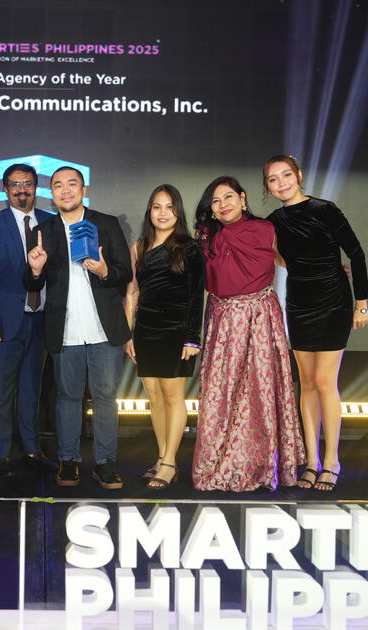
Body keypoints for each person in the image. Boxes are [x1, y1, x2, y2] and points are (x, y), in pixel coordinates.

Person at [190, 176, 304, 492]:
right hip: (222, 318)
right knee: (222, 392)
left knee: (258, 391)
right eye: (215, 201)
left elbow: (288, 260)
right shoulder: (207, 236)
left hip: (259, 316)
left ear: (242, 198)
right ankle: (218, 464)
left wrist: (326, 271)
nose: (222, 204)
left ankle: (260, 466)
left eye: (228, 197)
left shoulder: (265, 229)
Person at [264, 155, 368, 492]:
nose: (281, 183)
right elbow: (280, 258)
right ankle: (311, 461)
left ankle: (332, 461)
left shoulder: (325, 210)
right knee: (306, 383)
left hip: (333, 302)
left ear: (298, 175)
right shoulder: (273, 221)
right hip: (298, 304)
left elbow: (356, 254)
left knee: (324, 381)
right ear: (267, 187)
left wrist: (361, 304)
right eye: (273, 179)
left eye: (286, 175)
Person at [26, 166, 132, 489]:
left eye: (72, 184)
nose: (65, 190)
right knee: (68, 397)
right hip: (65, 327)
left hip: (104, 328)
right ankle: (68, 460)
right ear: (52, 194)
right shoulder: (42, 230)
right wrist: (35, 270)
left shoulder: (106, 224)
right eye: (58, 185)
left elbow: (124, 272)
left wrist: (103, 270)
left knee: (105, 397)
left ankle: (105, 463)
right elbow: (32, 283)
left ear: (83, 190)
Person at [0, 164, 54, 477]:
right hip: (3, 323)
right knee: (0, 391)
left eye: (28, 183)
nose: (23, 189)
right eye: (16, 184)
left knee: (31, 390)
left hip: (40, 321)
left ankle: (31, 450)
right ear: (6, 189)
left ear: (36, 188)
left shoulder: (50, 222)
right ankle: (0, 453)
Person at [123, 185, 204, 489]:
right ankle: (161, 456)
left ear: (178, 211)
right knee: (154, 396)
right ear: (150, 211)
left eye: (169, 207)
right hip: (146, 330)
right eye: (157, 207)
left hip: (176, 330)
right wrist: (128, 334)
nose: (163, 213)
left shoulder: (190, 248)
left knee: (172, 395)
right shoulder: (139, 247)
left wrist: (192, 337)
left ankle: (170, 462)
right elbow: (132, 293)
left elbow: (196, 295)